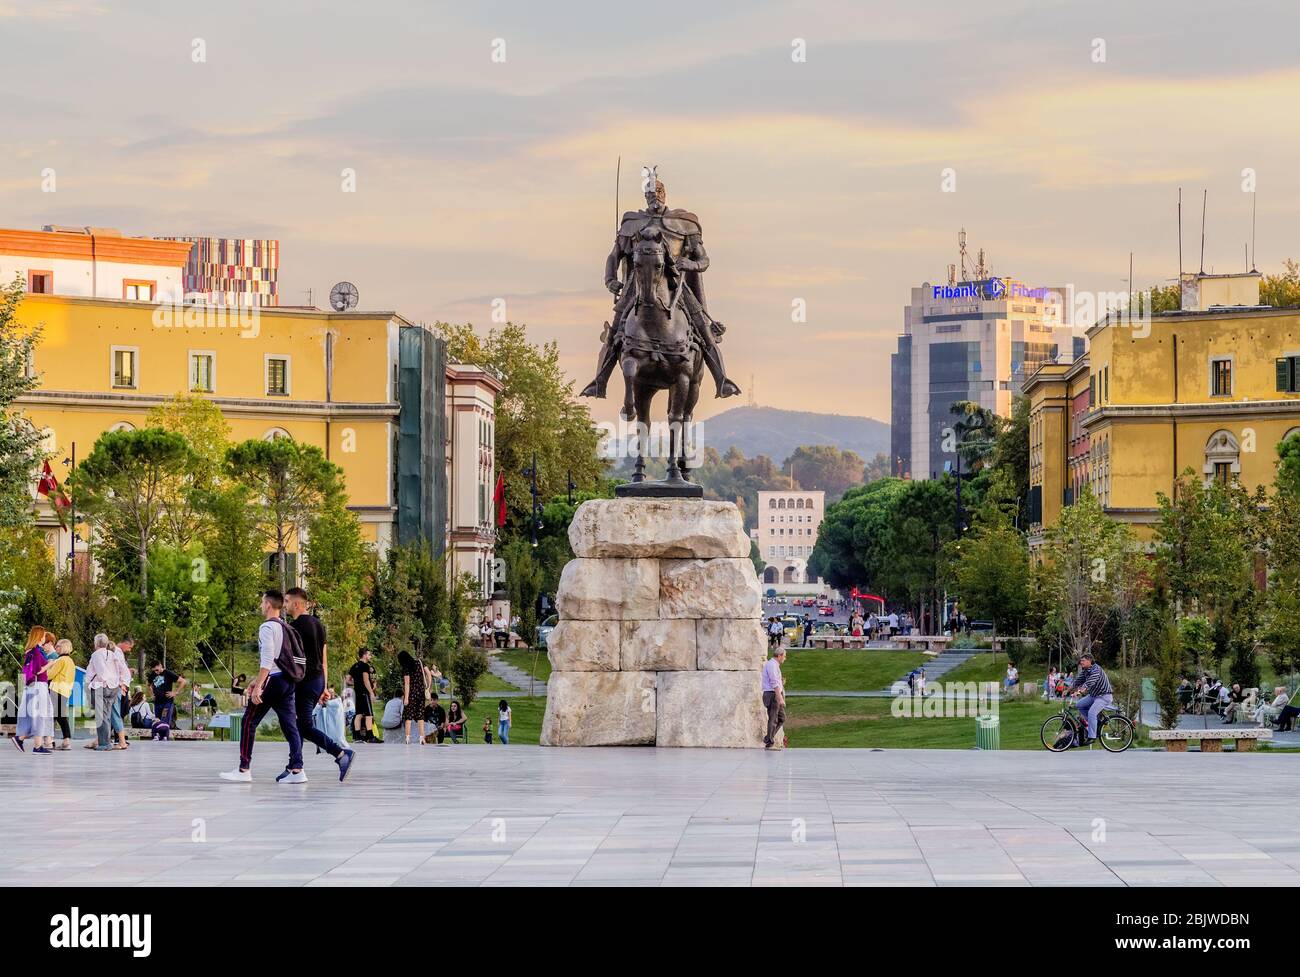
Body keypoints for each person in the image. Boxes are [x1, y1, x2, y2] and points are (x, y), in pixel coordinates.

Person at [220, 590, 305, 784]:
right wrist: (255, 680)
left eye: (261, 602)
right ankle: (298, 769)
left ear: (268, 604)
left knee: (249, 721)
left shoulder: (267, 627)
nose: (260, 605)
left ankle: (244, 769)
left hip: (273, 680)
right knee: (290, 724)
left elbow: (267, 659)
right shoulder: (285, 627)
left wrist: (258, 686)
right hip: (287, 680)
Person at [286, 588, 353, 780]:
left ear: (297, 603)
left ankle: (340, 754)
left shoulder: (295, 627)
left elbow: (293, 659)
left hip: (304, 681)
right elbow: (324, 660)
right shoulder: (319, 625)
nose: (285, 605)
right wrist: (323, 686)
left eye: (287, 601)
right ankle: (294, 766)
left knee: (304, 726)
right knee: (298, 724)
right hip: (317, 681)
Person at [14, 628, 54, 753]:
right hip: (38, 685)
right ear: (38, 636)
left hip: (31, 686)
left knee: (34, 715)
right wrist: (50, 663)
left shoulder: (30, 651)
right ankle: (36, 745)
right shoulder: (36, 651)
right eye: (43, 635)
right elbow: (38, 670)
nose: (44, 638)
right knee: (40, 714)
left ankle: (23, 739)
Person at [1068, 653, 1113, 746]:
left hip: (1104, 696)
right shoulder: (1085, 671)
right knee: (1079, 705)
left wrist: (1079, 691)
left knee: (1091, 712)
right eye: (1081, 661)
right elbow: (1078, 681)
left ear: (1089, 660)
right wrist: (1067, 690)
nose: (1081, 662)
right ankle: (1096, 723)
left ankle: (1092, 736)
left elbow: (1089, 682)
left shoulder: (1096, 670)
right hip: (1094, 696)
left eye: (1083, 660)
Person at [83, 634, 117, 752]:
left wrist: (101, 680)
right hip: (113, 687)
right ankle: (106, 741)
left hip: (100, 687)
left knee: (101, 716)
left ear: (96, 643)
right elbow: (121, 669)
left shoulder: (96, 654)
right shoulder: (112, 654)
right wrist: (121, 683)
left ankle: (104, 744)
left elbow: (100, 672)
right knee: (106, 715)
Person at [41, 637, 76, 750]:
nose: (56, 648)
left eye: (58, 646)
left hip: (56, 689)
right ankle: (64, 740)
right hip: (66, 691)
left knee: (55, 716)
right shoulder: (70, 661)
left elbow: (50, 675)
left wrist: (42, 671)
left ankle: (54, 741)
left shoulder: (60, 660)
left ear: (63, 647)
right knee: (60, 716)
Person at [347, 649, 379, 743]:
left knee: (359, 714)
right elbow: (366, 681)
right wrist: (371, 692)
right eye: (369, 654)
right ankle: (370, 736)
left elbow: (348, 680)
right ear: (364, 655)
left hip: (357, 692)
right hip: (364, 693)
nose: (370, 656)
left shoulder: (354, 666)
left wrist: (356, 683)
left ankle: (357, 737)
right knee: (369, 715)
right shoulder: (365, 666)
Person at [107, 640, 133, 750]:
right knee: (109, 714)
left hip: (114, 687)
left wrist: (123, 685)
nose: (129, 650)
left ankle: (121, 741)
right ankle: (104, 739)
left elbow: (124, 671)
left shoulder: (115, 654)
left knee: (114, 713)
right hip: (114, 686)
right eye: (130, 647)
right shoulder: (115, 654)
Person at [398, 650, 427, 745]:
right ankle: (422, 738)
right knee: (420, 716)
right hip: (421, 693)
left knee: (409, 717)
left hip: (412, 694)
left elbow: (407, 684)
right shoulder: (419, 663)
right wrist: (428, 687)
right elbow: (429, 674)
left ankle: (407, 738)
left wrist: (406, 698)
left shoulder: (406, 667)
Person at [149, 661, 187, 728]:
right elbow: (149, 685)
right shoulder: (153, 674)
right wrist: (152, 694)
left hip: (167, 702)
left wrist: (175, 692)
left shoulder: (168, 673)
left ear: (160, 665)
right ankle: (158, 737)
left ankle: (165, 737)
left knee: (164, 721)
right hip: (157, 702)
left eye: (157, 670)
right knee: (157, 722)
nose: (156, 672)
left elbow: (183, 681)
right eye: (154, 671)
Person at [762, 648, 786, 750]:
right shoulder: (772, 665)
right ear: (779, 655)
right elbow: (774, 682)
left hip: (774, 694)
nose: (785, 658)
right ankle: (769, 743)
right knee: (774, 718)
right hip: (772, 695)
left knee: (782, 718)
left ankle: (768, 738)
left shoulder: (774, 665)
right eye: (784, 656)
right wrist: (780, 697)